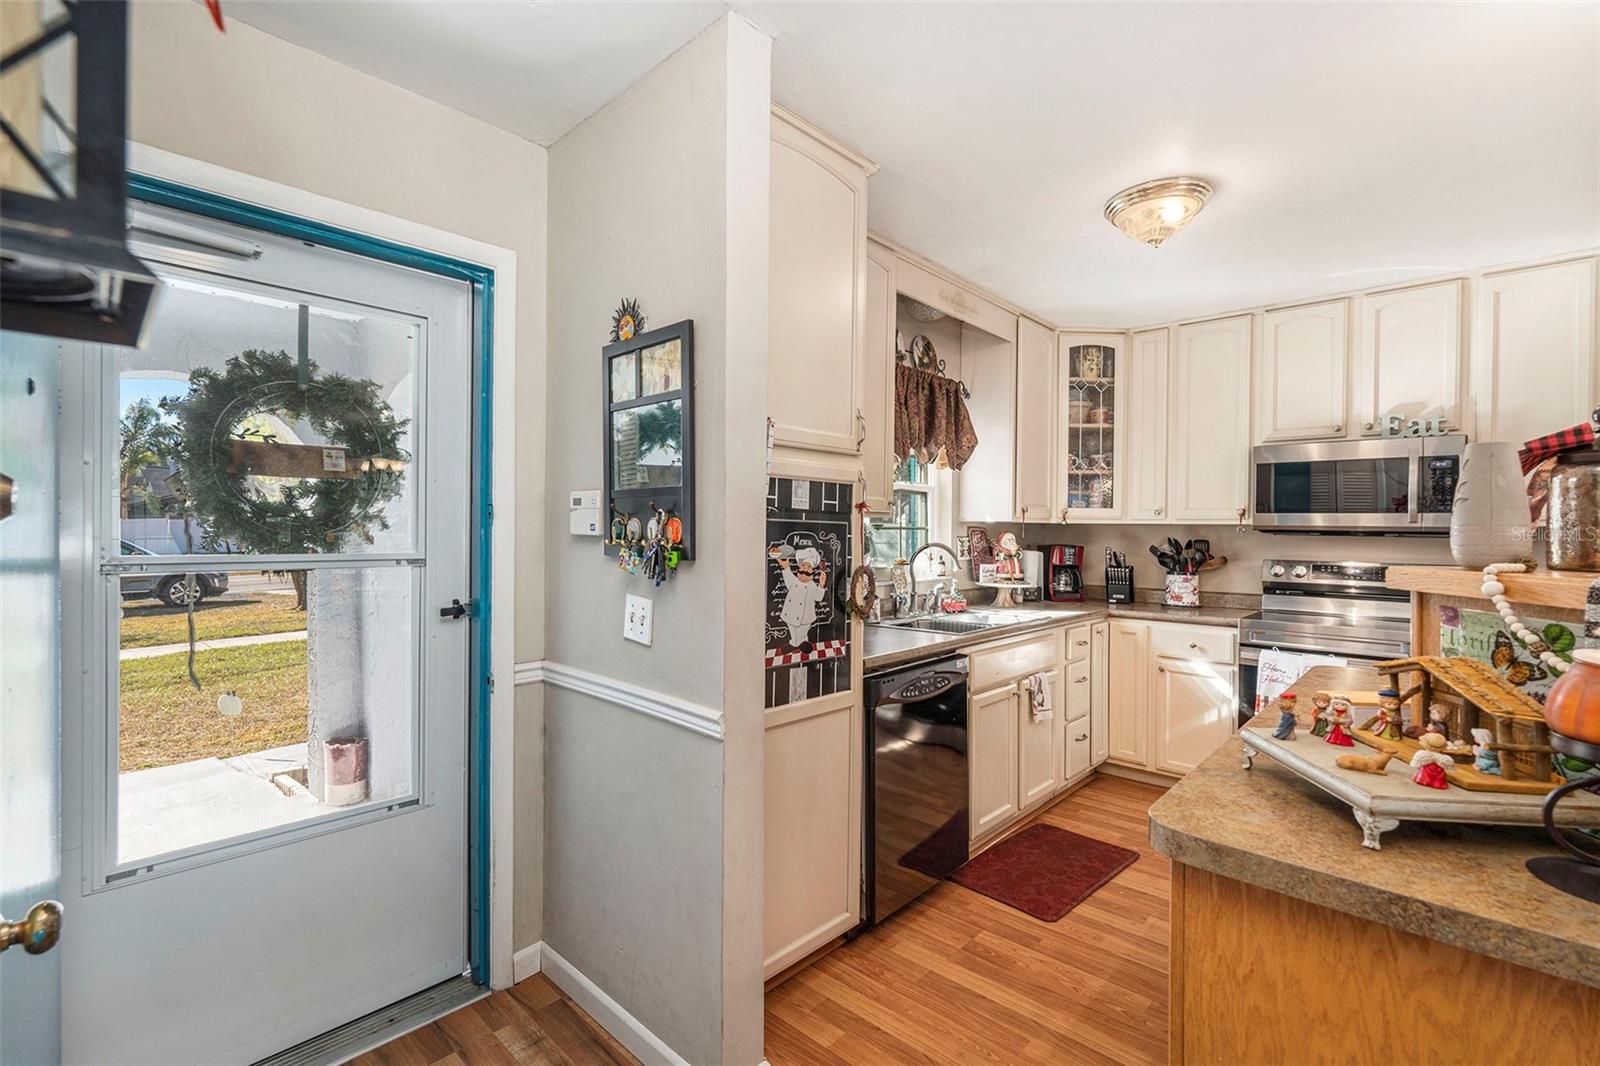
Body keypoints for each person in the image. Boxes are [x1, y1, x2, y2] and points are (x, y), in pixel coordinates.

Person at [772, 545, 827, 651]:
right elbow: (787, 576)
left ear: (812, 572)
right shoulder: (794, 581)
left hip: (806, 615)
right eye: (803, 566)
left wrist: (821, 585)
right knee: (792, 628)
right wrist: (786, 567)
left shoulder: (811, 585)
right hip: (791, 612)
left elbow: (819, 597)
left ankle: (802, 642)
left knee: (802, 630)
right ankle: (793, 643)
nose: (805, 568)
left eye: (808, 567)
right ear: (798, 568)